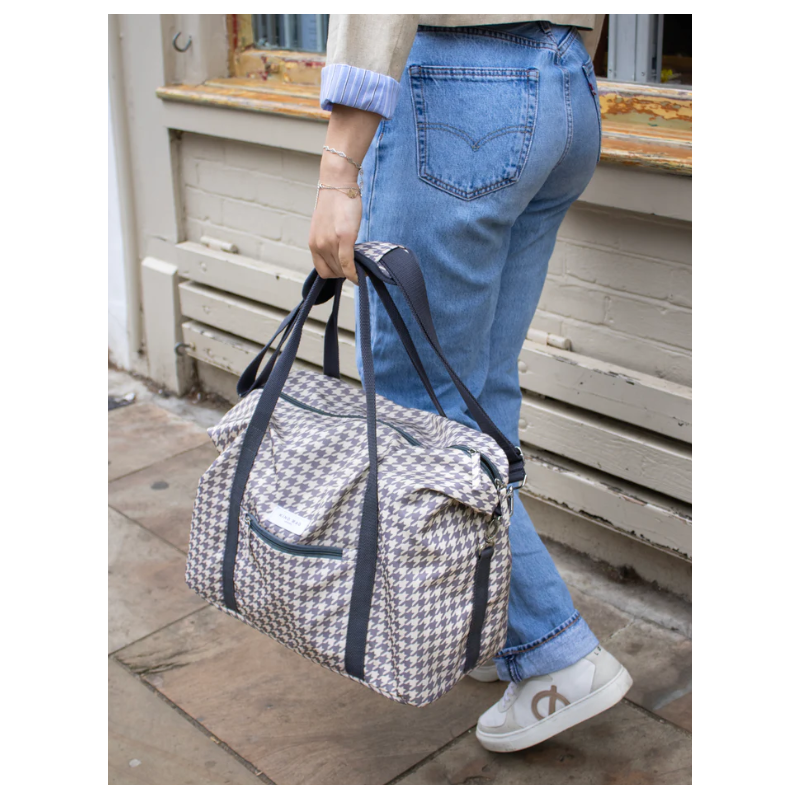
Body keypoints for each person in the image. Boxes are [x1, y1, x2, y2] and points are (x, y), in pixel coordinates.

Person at [308, 14, 632, 753]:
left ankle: (556, 653)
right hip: (564, 87)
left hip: (462, 88)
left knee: (413, 402)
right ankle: (493, 616)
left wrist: (337, 171)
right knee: (477, 386)